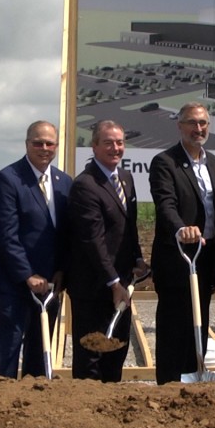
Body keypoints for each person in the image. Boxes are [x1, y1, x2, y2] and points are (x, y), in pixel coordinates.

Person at [0, 121, 72, 378]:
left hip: (50, 284)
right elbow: (6, 236)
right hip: (12, 282)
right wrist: (27, 275)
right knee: (9, 346)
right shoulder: (7, 180)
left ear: (56, 146)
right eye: (38, 143)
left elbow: (66, 233)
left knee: (41, 346)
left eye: (50, 143)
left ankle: (35, 397)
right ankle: (1, 397)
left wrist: (61, 269)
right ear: (27, 144)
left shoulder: (64, 182)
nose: (44, 148)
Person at [149, 102, 215, 384]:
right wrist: (181, 229)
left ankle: (193, 387)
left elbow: (214, 213)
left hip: (205, 259)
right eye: (192, 123)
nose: (198, 128)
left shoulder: (213, 162)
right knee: (173, 330)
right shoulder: (165, 162)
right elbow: (165, 204)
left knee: (198, 325)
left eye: (203, 123)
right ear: (180, 126)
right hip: (177, 259)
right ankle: (168, 389)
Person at [67, 120, 148, 382]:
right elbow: (93, 240)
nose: (115, 148)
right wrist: (113, 283)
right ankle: (87, 405)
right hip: (93, 287)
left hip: (121, 282)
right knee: (92, 355)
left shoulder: (125, 178)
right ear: (94, 146)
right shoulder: (86, 185)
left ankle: (110, 402)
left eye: (120, 142)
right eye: (108, 143)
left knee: (116, 350)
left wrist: (137, 258)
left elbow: (129, 227)